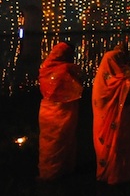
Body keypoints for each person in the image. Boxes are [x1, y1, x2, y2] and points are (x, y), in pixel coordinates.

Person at [92, 43, 130, 185]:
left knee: (119, 144)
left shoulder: (111, 80)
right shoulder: (116, 81)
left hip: (120, 116)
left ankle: (118, 172)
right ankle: (115, 173)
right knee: (116, 144)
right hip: (115, 117)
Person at [37, 41, 84, 181]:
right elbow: (77, 88)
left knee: (49, 143)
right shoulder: (67, 70)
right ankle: (57, 171)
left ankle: (49, 172)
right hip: (62, 111)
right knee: (62, 140)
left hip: (47, 111)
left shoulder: (45, 68)